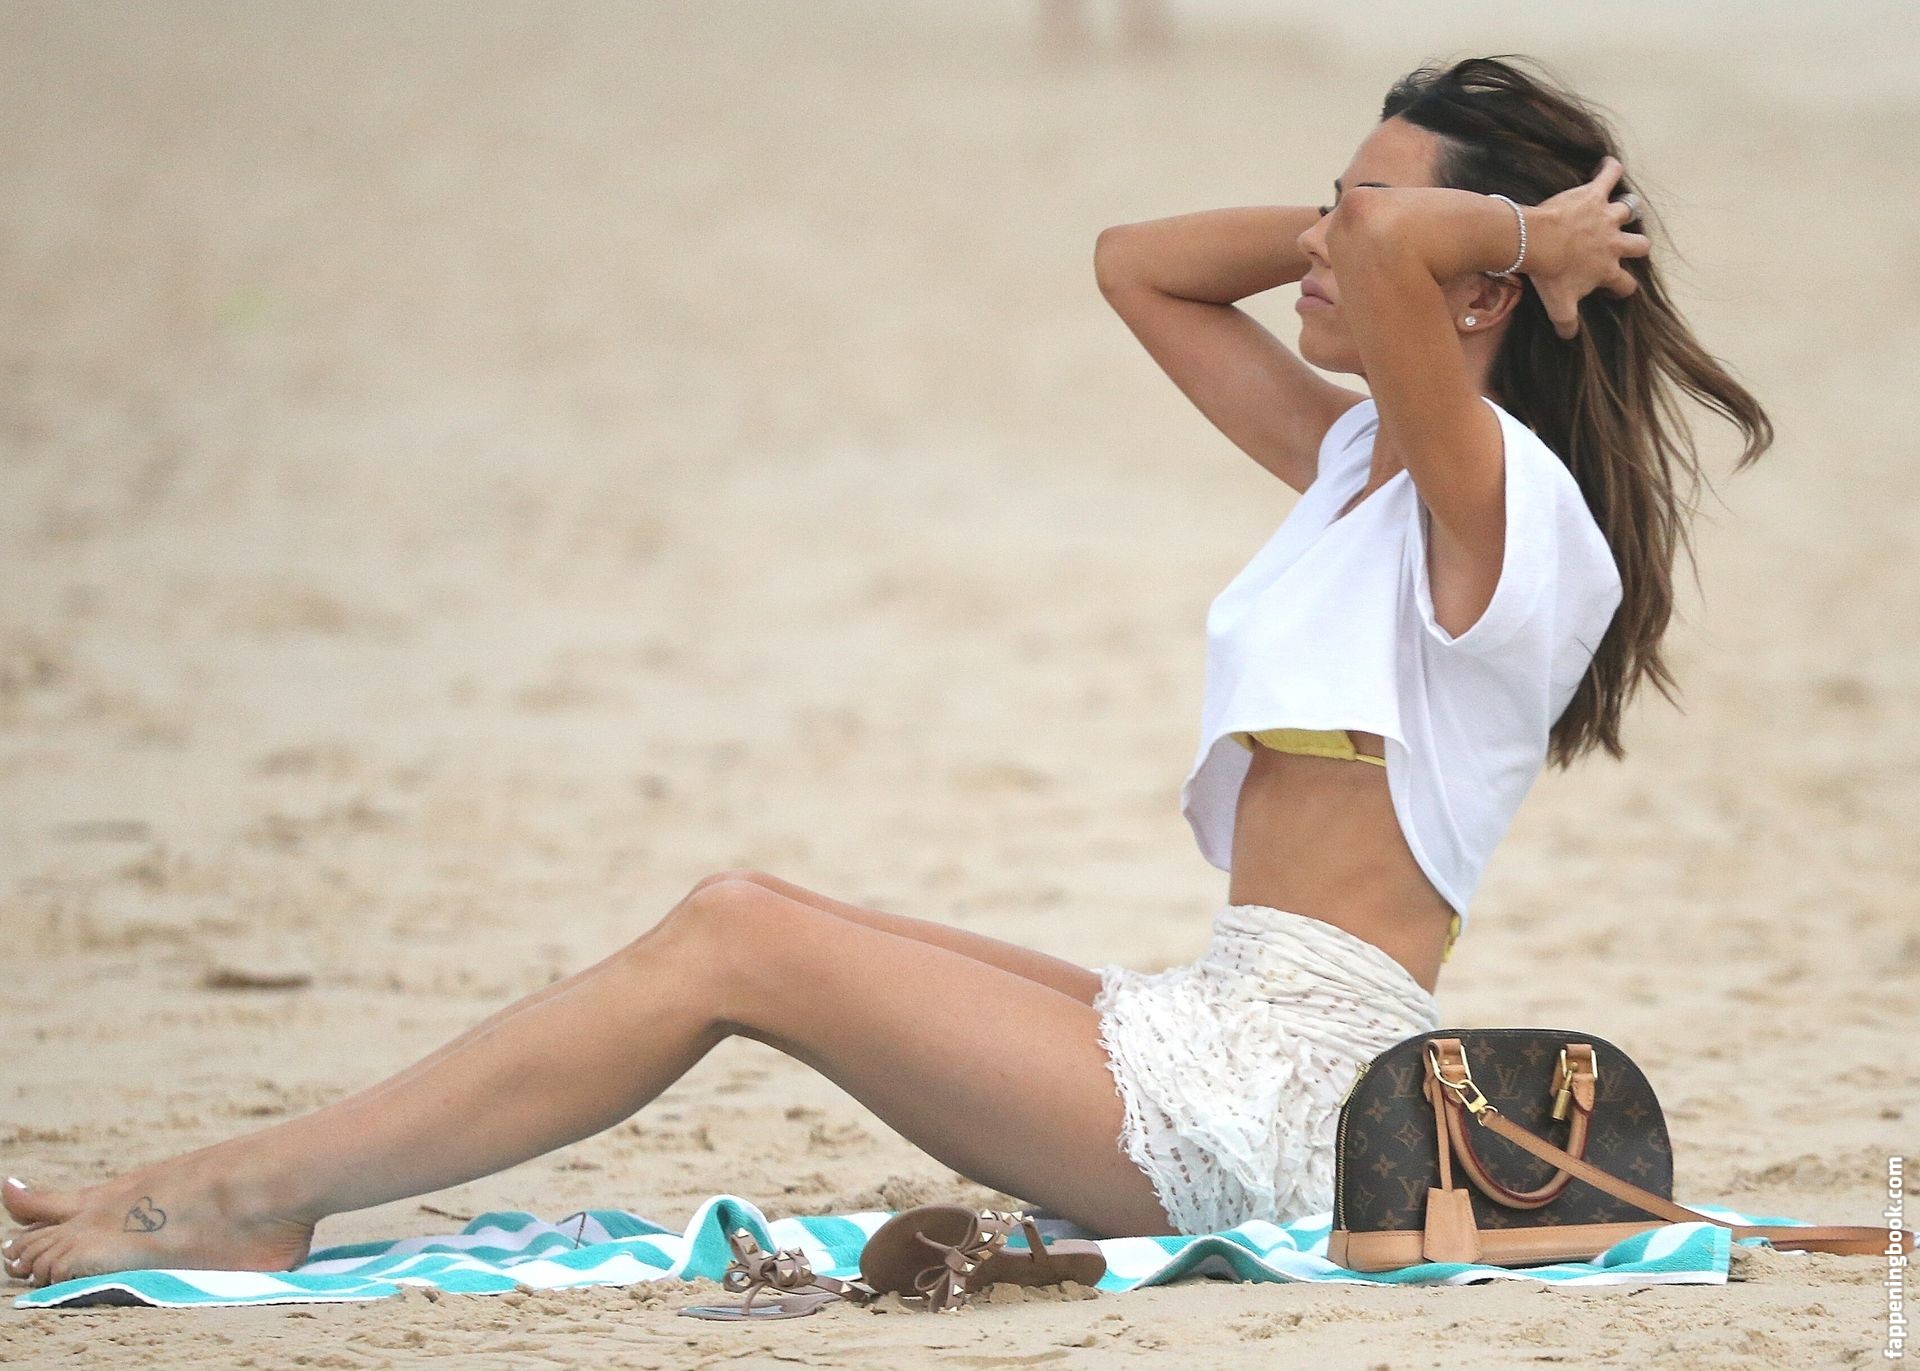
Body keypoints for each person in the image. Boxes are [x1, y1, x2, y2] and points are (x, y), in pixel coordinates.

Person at [1, 54, 1770, 1286]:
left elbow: (1383, 256)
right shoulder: (1361, 464)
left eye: (1362, 215)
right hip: (1214, 1020)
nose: (1319, 242)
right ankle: (241, 1185)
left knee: (736, 942)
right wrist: (1392, 216)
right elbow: (1138, 270)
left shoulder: (1504, 506)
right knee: (760, 902)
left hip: (1294, 1099)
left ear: (1479, 290)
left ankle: (249, 1192)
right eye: (1325, 201)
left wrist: (1513, 240)